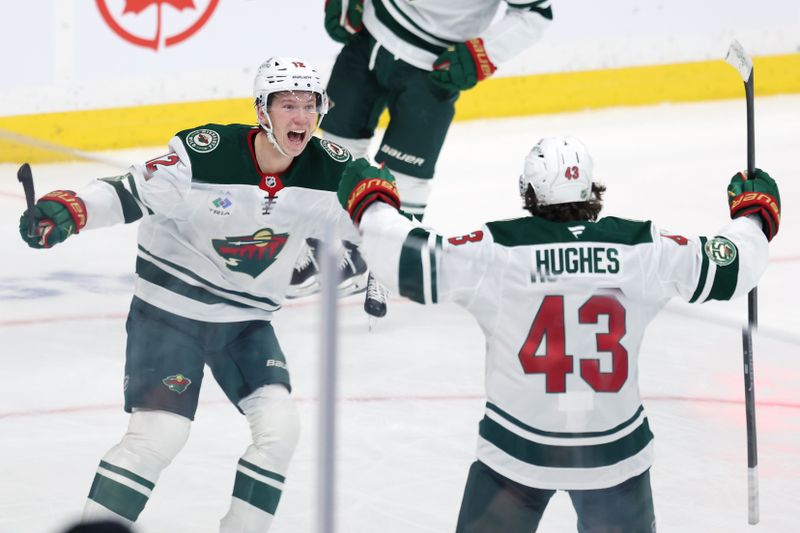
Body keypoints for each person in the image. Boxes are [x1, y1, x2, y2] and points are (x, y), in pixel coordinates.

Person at [334, 137, 781, 532]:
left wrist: (373, 201)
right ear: (591, 189)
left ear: (529, 192)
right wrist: (753, 216)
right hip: (615, 455)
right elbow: (732, 267)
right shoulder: (643, 246)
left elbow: (408, 262)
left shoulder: (497, 251)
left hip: (518, 453)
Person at [19, 57, 367, 533]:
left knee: (281, 429)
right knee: (159, 435)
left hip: (246, 323)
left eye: (310, 106)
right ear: (263, 111)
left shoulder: (332, 170)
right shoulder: (204, 152)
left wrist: (403, 246)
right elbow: (129, 192)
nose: (302, 118)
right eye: (289, 105)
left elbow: (377, 219)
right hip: (170, 313)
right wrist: (74, 209)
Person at [287, 0, 554, 316]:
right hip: (368, 36)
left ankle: (388, 260)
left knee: (405, 175)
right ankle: (327, 244)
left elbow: (536, 12)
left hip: (433, 67)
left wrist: (484, 54)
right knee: (336, 144)